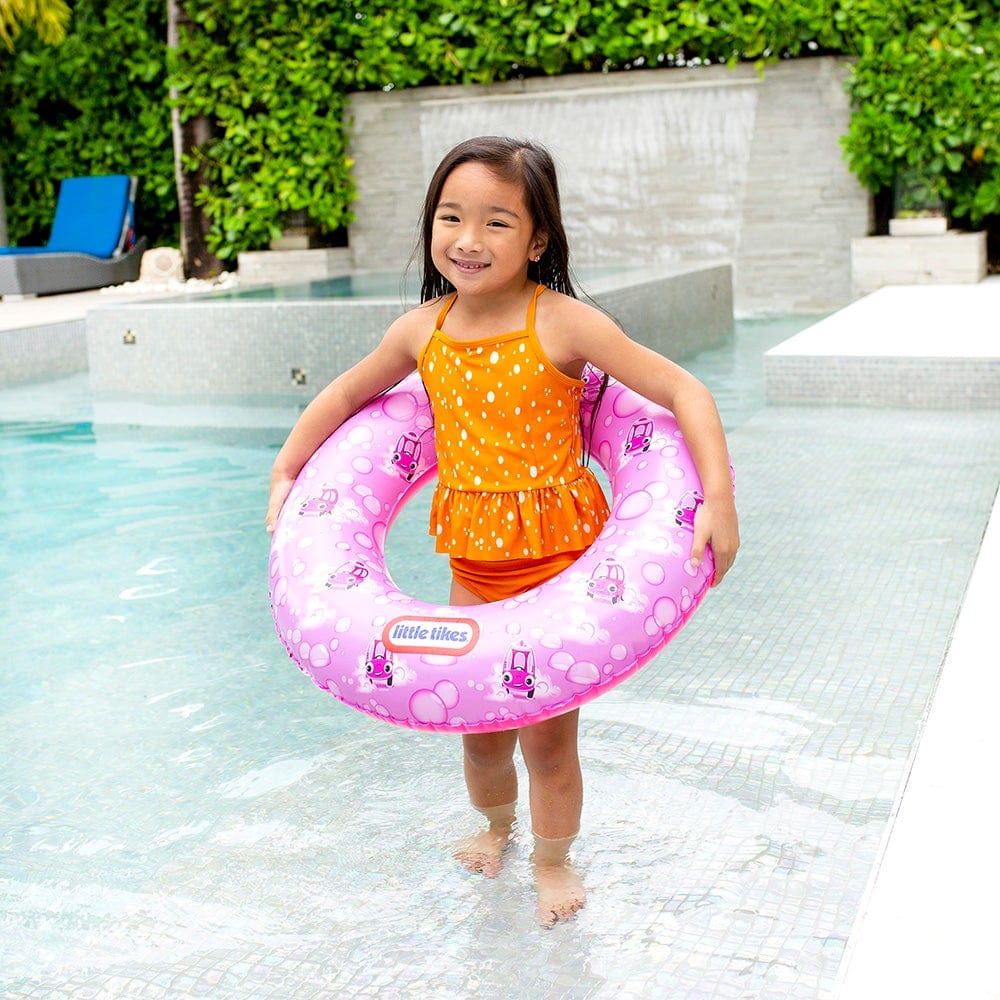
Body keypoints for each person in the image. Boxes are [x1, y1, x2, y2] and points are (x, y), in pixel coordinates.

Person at [266, 136, 739, 925]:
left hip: (564, 571)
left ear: (538, 239)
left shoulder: (563, 322)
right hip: (475, 568)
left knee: (547, 745)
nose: (468, 239)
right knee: (480, 733)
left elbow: (683, 389)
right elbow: (346, 395)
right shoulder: (422, 330)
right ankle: (494, 828)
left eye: (496, 222)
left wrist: (718, 501)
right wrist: (286, 469)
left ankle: (553, 862)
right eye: (451, 217)